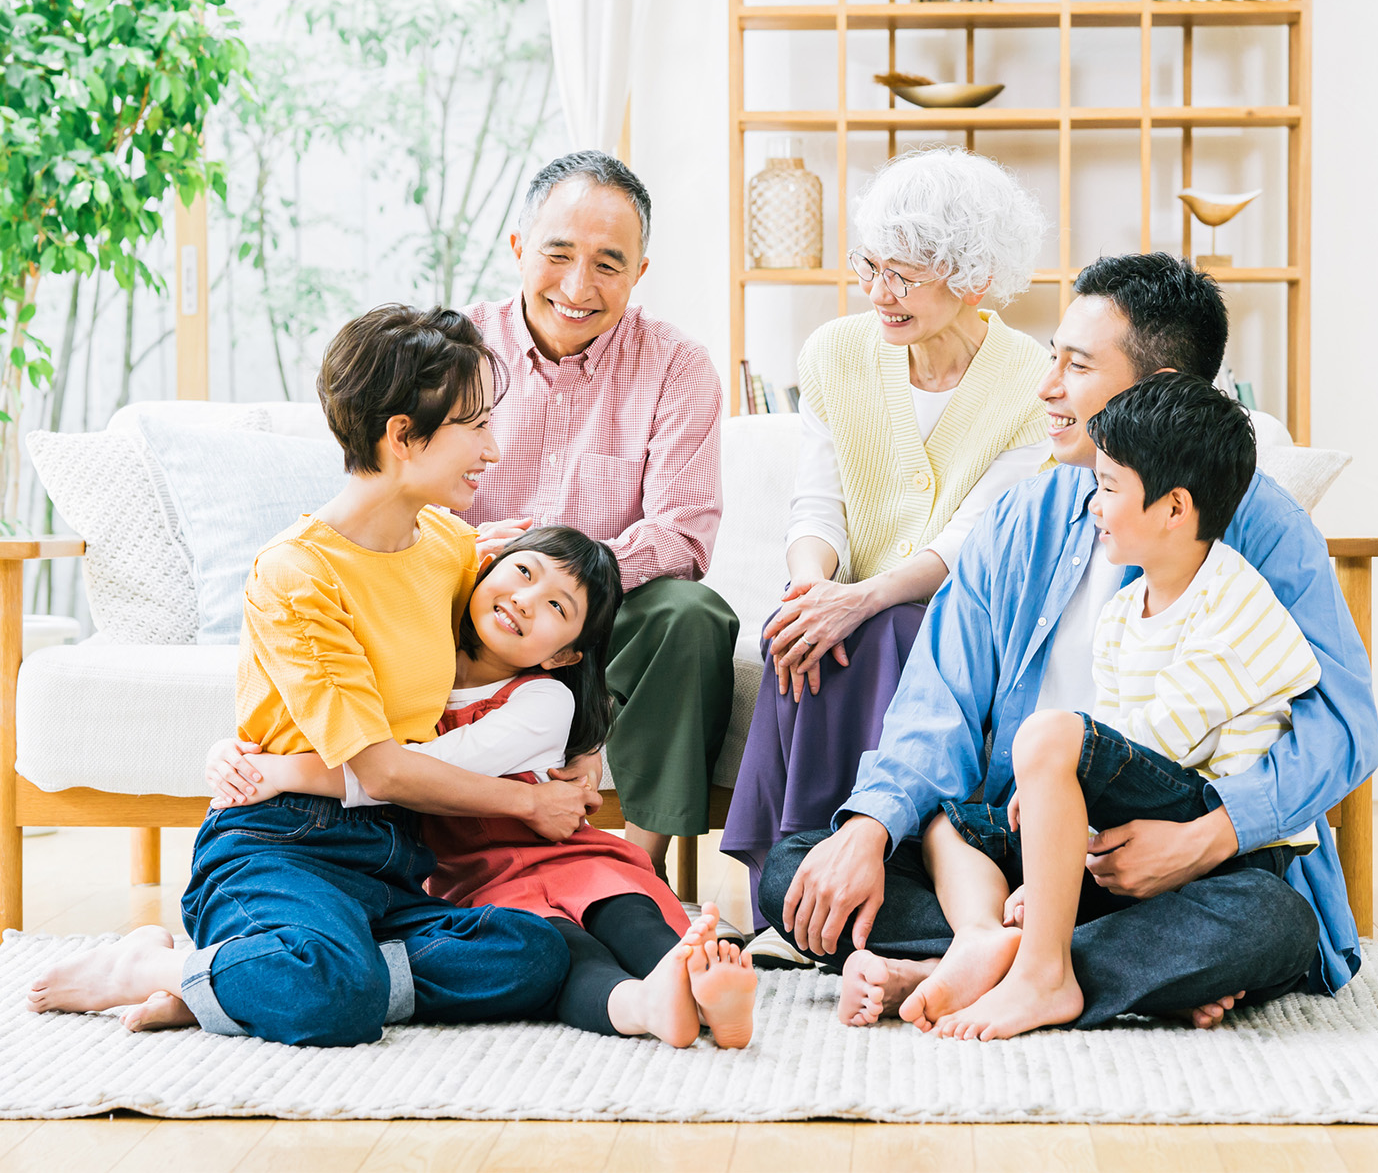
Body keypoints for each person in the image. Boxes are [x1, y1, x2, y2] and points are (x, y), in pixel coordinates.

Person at [762, 252, 1378, 1031]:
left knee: (1271, 922)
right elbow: (938, 701)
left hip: (1181, 857)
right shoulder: (1022, 517)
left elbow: (1346, 726)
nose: (1045, 387)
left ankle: (983, 963)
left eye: (1076, 366)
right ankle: (1067, 964)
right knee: (799, 876)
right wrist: (869, 828)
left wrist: (1202, 840)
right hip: (1024, 852)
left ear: (1160, 394)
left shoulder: (1262, 527)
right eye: (1051, 357)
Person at [27, 305, 601, 1045]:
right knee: (338, 995)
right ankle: (159, 968)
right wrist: (523, 807)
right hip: (280, 842)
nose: (492, 448)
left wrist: (578, 757)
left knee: (535, 951)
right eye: (477, 426)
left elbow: (535, 651)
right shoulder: (296, 572)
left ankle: (232, 982)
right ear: (402, 436)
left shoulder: (453, 550)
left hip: (393, 855)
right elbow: (382, 771)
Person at [207, 526, 757, 1049]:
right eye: (523, 572)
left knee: (627, 917)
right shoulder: (418, 678)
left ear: (563, 656)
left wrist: (275, 772)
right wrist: (232, 749)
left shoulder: (543, 700)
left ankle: (700, 984)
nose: (526, 599)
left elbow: (411, 771)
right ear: (485, 568)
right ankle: (645, 1006)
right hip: (478, 880)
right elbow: (331, 721)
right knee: (568, 956)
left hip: (563, 855)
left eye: (556, 607)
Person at [902, 373, 1322, 1040]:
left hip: (1216, 850)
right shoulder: (1127, 610)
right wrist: (1050, 814)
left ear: (1175, 509)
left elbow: (1153, 749)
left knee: (1275, 923)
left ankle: (1032, 969)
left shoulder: (1233, 610)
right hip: (1121, 843)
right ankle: (1009, 948)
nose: (1092, 505)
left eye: (1108, 488)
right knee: (938, 829)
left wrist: (1056, 787)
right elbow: (1117, 741)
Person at [721, 149, 1053, 939]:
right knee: (797, 628)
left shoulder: (1031, 380)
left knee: (890, 626)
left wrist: (860, 599)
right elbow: (819, 501)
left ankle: (856, 869)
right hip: (851, 599)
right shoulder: (837, 353)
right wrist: (811, 592)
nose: (878, 293)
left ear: (972, 276)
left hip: (960, 612)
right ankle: (785, 886)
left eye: (904, 276)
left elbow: (976, 540)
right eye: (869, 266)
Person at [462, 151, 736, 884]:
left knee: (691, 612)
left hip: (615, 609)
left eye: (608, 265)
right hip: (477, 602)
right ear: (519, 250)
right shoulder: (457, 351)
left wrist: (569, 578)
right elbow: (404, 504)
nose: (579, 288)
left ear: (640, 272)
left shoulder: (677, 364)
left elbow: (682, 534)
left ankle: (633, 871)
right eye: (558, 256)